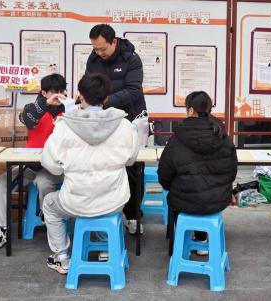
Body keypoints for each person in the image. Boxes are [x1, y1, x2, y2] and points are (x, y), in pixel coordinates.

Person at [40, 73, 140, 274]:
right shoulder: (125, 125)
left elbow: (52, 166)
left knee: (49, 204)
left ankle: (62, 257)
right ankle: (106, 249)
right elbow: (130, 160)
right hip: (114, 201)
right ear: (106, 98)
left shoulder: (64, 126)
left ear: (80, 95)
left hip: (76, 202)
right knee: (107, 204)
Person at [0, 73, 67, 251]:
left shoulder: (69, 110)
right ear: (44, 93)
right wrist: (45, 104)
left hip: (55, 167)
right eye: (54, 92)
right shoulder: (33, 108)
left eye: (62, 91)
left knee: (43, 182)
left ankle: (49, 217)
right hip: (30, 165)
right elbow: (28, 120)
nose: (59, 96)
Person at [158, 91, 238, 255]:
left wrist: (171, 187)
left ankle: (184, 238)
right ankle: (202, 238)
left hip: (185, 200)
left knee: (180, 198)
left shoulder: (177, 138)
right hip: (217, 200)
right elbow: (232, 171)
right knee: (198, 195)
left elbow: (164, 175)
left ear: (191, 110)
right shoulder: (222, 134)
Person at [86, 24, 147, 235]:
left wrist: (105, 101)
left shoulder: (131, 59)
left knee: (133, 169)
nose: (99, 53)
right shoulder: (94, 59)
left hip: (131, 119)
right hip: (105, 121)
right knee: (105, 166)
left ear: (114, 42)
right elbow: (89, 84)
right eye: (95, 49)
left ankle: (133, 215)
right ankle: (108, 212)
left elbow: (133, 90)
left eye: (102, 48)